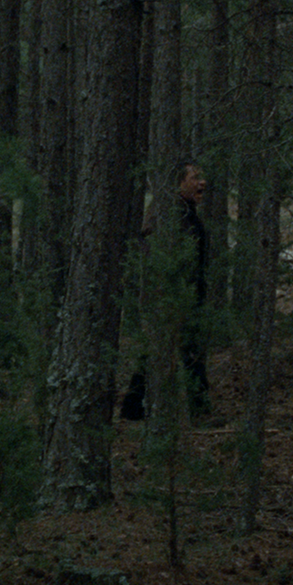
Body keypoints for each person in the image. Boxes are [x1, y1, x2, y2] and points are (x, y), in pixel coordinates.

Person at [121, 162, 211, 420]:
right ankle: (198, 410)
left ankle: (133, 408)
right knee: (175, 351)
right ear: (179, 183)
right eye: (195, 177)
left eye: (201, 177)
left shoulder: (186, 212)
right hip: (170, 296)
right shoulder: (167, 213)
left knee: (173, 350)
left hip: (186, 294)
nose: (202, 182)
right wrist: (168, 289)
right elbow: (150, 249)